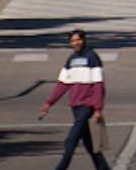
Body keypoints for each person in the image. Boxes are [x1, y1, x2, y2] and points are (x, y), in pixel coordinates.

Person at [40, 30, 111, 170]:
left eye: (78, 40)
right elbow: (62, 84)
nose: (75, 43)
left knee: (70, 142)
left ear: (84, 40)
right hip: (75, 106)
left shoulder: (92, 57)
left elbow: (98, 85)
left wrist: (97, 108)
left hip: (87, 106)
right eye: (72, 41)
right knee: (90, 144)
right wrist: (49, 102)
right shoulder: (71, 60)